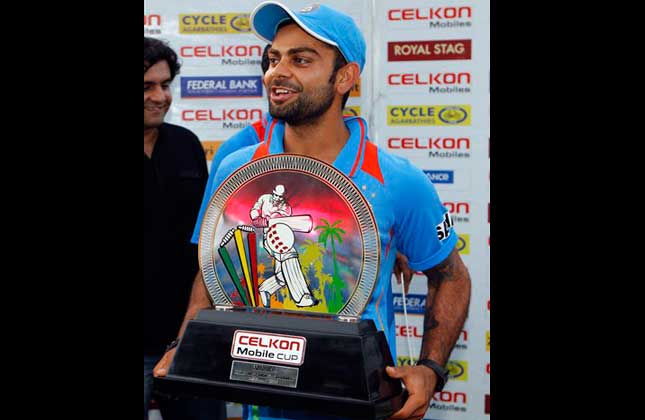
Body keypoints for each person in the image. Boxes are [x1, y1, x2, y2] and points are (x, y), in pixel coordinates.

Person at [155, 3, 471, 420]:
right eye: (273, 59)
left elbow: (451, 276)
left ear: (344, 77)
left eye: (301, 59)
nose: (276, 72)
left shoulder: (395, 180)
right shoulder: (236, 166)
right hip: (261, 401)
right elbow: (214, 269)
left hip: (357, 404)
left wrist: (430, 370)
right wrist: (182, 346)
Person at [144, 36, 226, 420]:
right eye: (147, 86)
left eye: (165, 85)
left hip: (191, 334)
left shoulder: (187, 144)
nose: (160, 96)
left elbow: (209, 235)